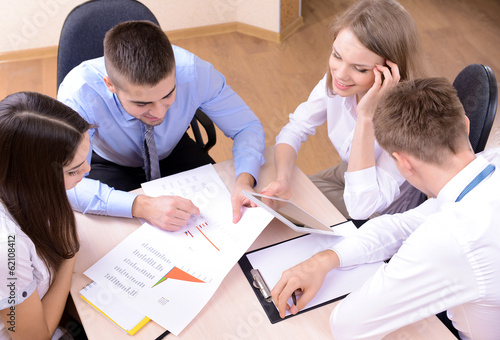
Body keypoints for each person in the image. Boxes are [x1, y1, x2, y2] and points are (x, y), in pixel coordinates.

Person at [270, 77, 500, 339]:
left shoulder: (449, 238)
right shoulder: (490, 164)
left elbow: (348, 326)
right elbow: (401, 225)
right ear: (466, 126)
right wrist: (326, 258)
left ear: (403, 163)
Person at [57, 20, 265, 229]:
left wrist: (245, 180)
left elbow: (246, 127)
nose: (158, 114)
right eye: (142, 103)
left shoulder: (194, 71)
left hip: (173, 149)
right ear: (110, 85)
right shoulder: (78, 94)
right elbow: (61, 182)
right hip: (110, 161)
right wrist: (141, 205)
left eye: (168, 95)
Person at [262, 0, 430, 219]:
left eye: (359, 68)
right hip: (348, 173)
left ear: (390, 71)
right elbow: (296, 128)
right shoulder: (337, 82)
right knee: (274, 197)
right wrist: (283, 177)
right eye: (337, 55)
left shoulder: (409, 122)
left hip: (377, 207)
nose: (340, 74)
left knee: (280, 210)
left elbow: (364, 206)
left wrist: (365, 116)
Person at [0, 92, 92, 339]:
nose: (88, 170)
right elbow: (34, 337)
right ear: (34, 178)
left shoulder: (15, 181)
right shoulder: (7, 247)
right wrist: (70, 254)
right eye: (74, 171)